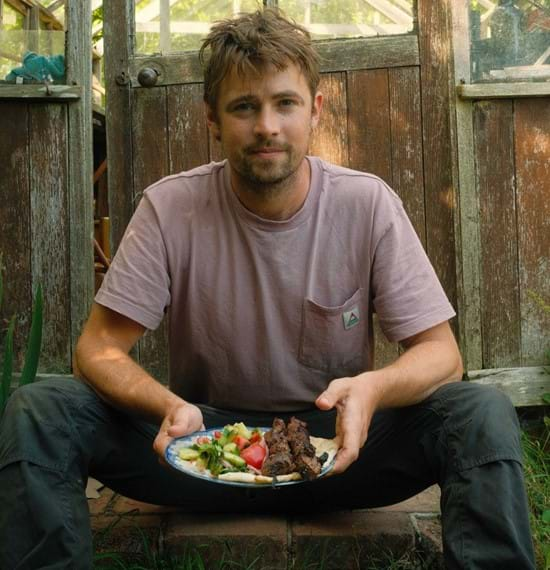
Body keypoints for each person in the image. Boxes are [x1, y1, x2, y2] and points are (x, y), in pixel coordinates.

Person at [0, 9, 535, 569]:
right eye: (243, 107)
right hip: (203, 449)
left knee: (480, 411)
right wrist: (168, 406)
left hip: (340, 451)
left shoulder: (367, 203)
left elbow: (441, 355)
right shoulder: (169, 208)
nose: (267, 127)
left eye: (285, 103)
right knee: (41, 408)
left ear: (315, 109)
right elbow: (97, 350)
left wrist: (373, 389)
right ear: (213, 119)